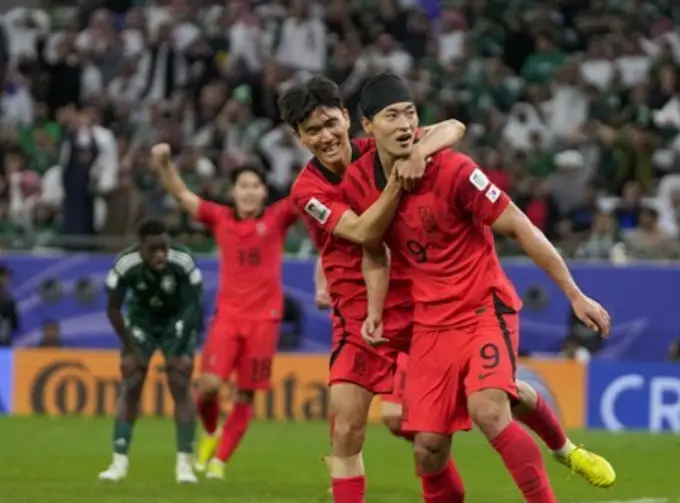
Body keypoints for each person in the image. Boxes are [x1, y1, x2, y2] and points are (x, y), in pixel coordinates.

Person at [345, 73, 615, 502]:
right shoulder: (359, 181)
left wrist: (574, 293)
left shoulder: (454, 170)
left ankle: (558, 465)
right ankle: (563, 446)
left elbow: (521, 228)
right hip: (431, 325)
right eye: (391, 115)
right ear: (367, 126)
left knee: (489, 410)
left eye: (410, 113)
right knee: (429, 450)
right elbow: (374, 249)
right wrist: (375, 309)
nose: (403, 124)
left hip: (482, 309)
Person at [283, 75, 466, 503]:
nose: (326, 137)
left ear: (349, 119)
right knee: (345, 427)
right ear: (299, 139)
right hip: (356, 314)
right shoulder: (306, 190)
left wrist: (418, 150)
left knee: (413, 425)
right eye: (312, 131)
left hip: (419, 303)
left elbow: (453, 127)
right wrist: (397, 181)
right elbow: (365, 231)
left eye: (330, 123)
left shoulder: (377, 146)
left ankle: (550, 439)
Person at [151, 143, 297, 479]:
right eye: (243, 186)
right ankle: (212, 432)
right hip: (228, 317)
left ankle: (220, 462)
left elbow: (306, 194)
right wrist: (163, 165)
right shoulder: (219, 218)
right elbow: (183, 196)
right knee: (208, 386)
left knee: (245, 393)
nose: (249, 192)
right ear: (233, 191)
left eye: (255, 186)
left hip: (265, 321)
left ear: (264, 192)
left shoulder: (277, 218)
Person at [98, 219, 204, 484]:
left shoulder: (184, 260)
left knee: (179, 379)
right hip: (141, 322)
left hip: (175, 320)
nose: (160, 255)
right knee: (132, 379)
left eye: (164, 248)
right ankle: (118, 461)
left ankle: (184, 464)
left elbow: (193, 305)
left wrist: (179, 345)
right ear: (140, 247)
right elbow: (113, 309)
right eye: (153, 249)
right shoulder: (125, 263)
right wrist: (132, 349)